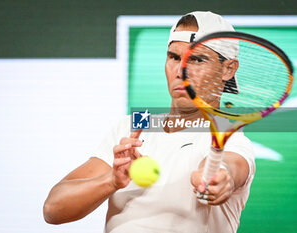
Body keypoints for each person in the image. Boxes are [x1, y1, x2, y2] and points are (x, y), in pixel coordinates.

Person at [43, 11, 255, 233]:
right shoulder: (132, 127)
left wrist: (217, 179)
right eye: (174, 57)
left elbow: (230, 169)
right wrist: (112, 181)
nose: (181, 72)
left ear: (227, 69)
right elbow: (53, 209)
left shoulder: (231, 140)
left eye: (197, 59)